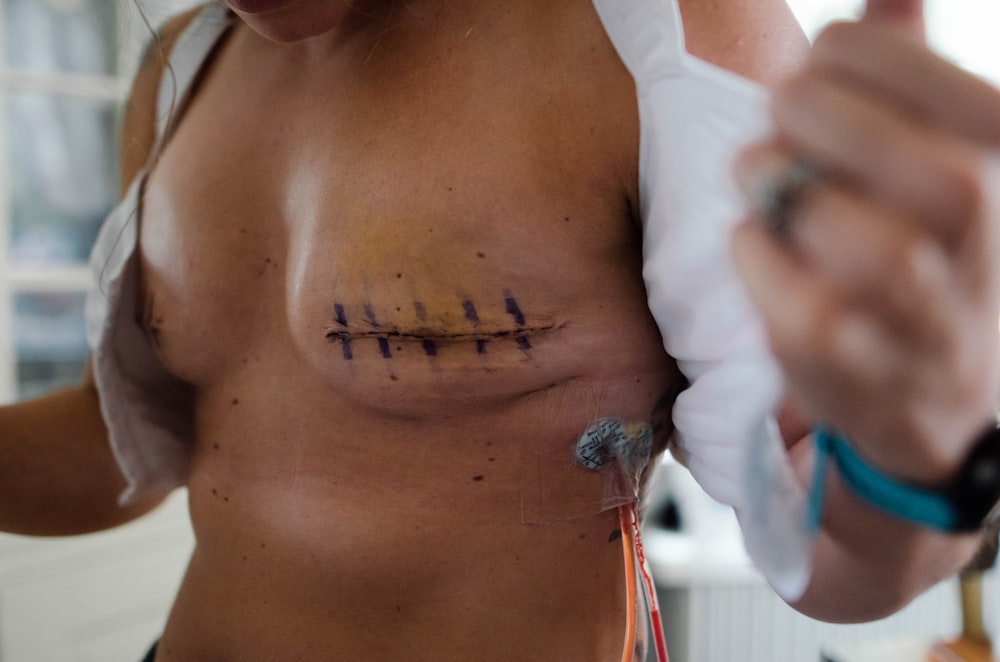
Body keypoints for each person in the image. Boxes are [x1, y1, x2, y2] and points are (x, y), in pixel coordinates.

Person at [0, 1, 996, 661]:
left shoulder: (658, 31)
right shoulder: (183, 61)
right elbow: (122, 444)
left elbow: (813, 535)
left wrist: (915, 460)